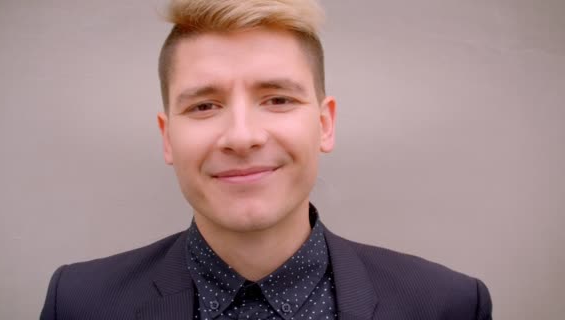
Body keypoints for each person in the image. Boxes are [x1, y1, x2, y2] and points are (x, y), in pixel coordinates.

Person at [40, 0, 493, 319]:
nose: (241, 136)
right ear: (168, 138)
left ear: (325, 124)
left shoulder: (446, 305)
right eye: (203, 106)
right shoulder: (81, 303)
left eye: (277, 99)